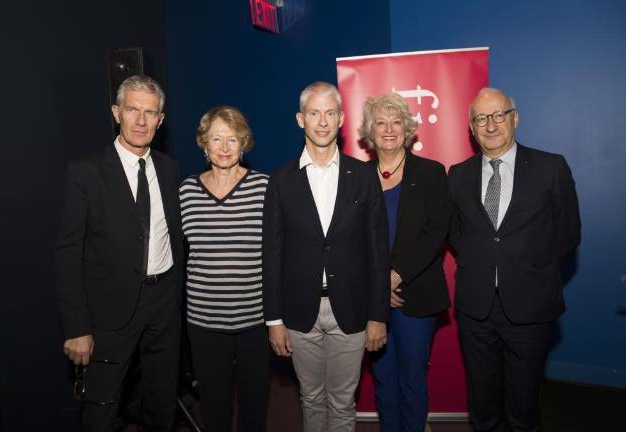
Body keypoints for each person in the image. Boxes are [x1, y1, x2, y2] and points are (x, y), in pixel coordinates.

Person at [54, 75, 184, 431]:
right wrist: (76, 327)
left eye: (150, 112)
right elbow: (67, 255)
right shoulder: (85, 173)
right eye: (132, 110)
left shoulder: (170, 169)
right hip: (110, 310)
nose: (141, 121)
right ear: (116, 113)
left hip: (164, 304)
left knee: (161, 402)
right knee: (102, 408)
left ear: (161, 119)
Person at [448, 88, 581, 432]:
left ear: (515, 118)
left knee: (523, 407)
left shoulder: (551, 167)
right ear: (471, 127)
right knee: (483, 403)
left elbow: (568, 233)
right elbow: (455, 233)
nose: (490, 125)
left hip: (531, 306)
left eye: (498, 115)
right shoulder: (458, 175)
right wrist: (484, 261)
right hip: (475, 309)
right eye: (481, 118)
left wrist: (527, 264)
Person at [262, 81, 390, 432]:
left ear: (342, 119)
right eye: (314, 113)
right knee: (311, 398)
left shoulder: (364, 176)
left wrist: (378, 315)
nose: (322, 121)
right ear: (300, 119)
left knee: (343, 400)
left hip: (351, 308)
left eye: (330, 113)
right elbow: (271, 254)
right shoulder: (280, 180)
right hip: (299, 311)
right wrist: (273, 320)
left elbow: (379, 252)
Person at [358, 93, 451, 432]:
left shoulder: (431, 173)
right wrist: (378, 287)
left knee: (411, 378)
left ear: (408, 128)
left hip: (417, 294)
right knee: (383, 378)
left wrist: (395, 277)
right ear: (370, 130)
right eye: (380, 122)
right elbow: (352, 242)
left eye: (396, 121)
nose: (388, 129)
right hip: (373, 300)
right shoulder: (357, 178)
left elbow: (436, 231)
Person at [179, 106, 270, 432]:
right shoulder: (186, 192)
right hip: (204, 321)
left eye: (232, 139)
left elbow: (278, 252)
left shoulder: (264, 187)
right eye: (216, 138)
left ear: (243, 143)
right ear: (204, 144)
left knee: (254, 405)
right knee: (214, 407)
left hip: (255, 320)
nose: (224, 146)